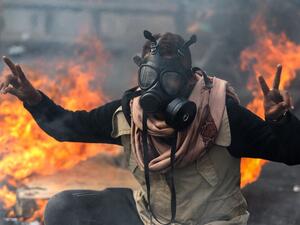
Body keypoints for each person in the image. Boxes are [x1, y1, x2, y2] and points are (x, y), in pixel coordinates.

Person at [0, 31, 299, 225]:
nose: (156, 89)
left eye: (169, 79)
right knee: (63, 208)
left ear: (190, 79)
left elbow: (292, 152)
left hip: (210, 222)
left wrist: (280, 120)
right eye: (148, 77)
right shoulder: (129, 115)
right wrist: (34, 99)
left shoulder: (221, 114)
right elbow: (67, 128)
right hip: (150, 218)